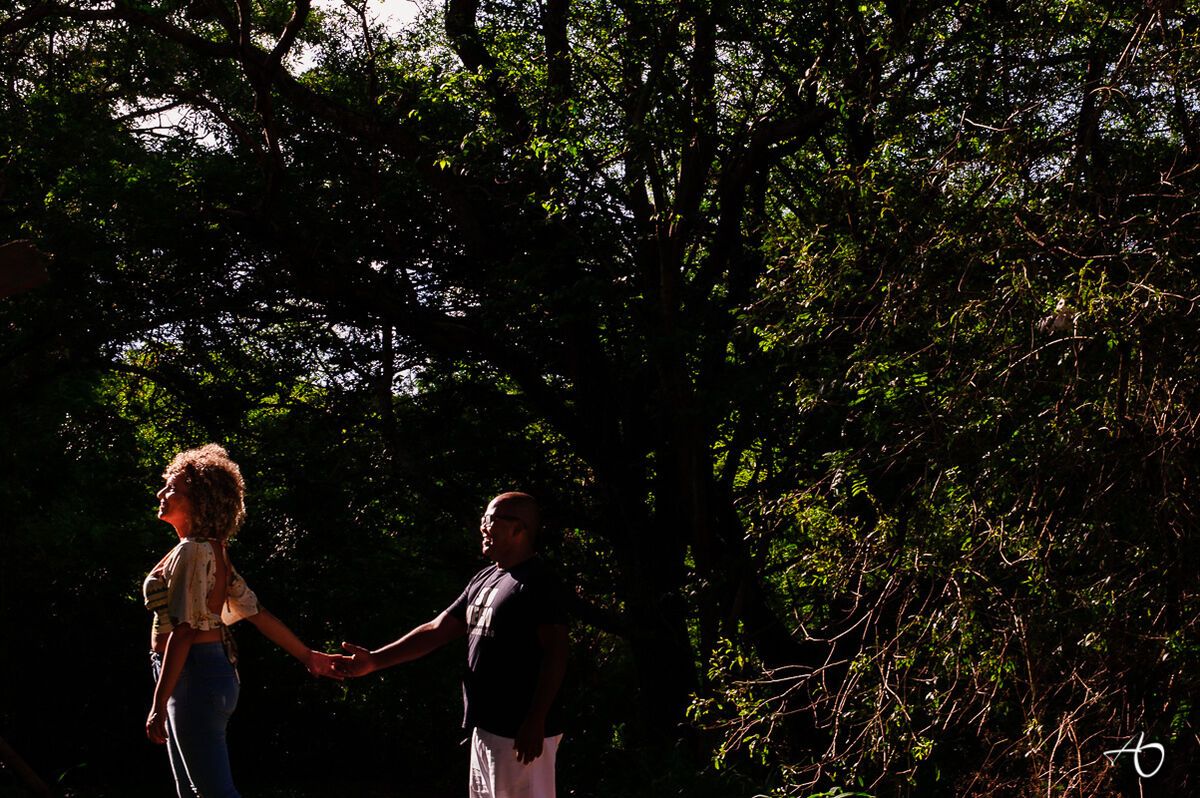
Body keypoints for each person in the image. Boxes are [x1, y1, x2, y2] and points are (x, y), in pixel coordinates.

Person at [337, 492, 569, 798]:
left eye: (491, 520)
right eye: (483, 519)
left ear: (519, 528)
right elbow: (437, 630)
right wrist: (375, 661)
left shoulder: (539, 582)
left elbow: (557, 653)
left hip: (520, 734)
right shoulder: (484, 578)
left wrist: (536, 719)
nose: (483, 527)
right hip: (486, 728)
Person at [143, 444, 341, 798]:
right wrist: (308, 656)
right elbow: (255, 612)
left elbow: (185, 630)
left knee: (210, 792)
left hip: (192, 675)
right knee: (193, 791)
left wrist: (159, 704)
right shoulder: (211, 550)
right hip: (198, 674)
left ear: (200, 500)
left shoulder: (194, 551)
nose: (162, 493)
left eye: (173, 488)